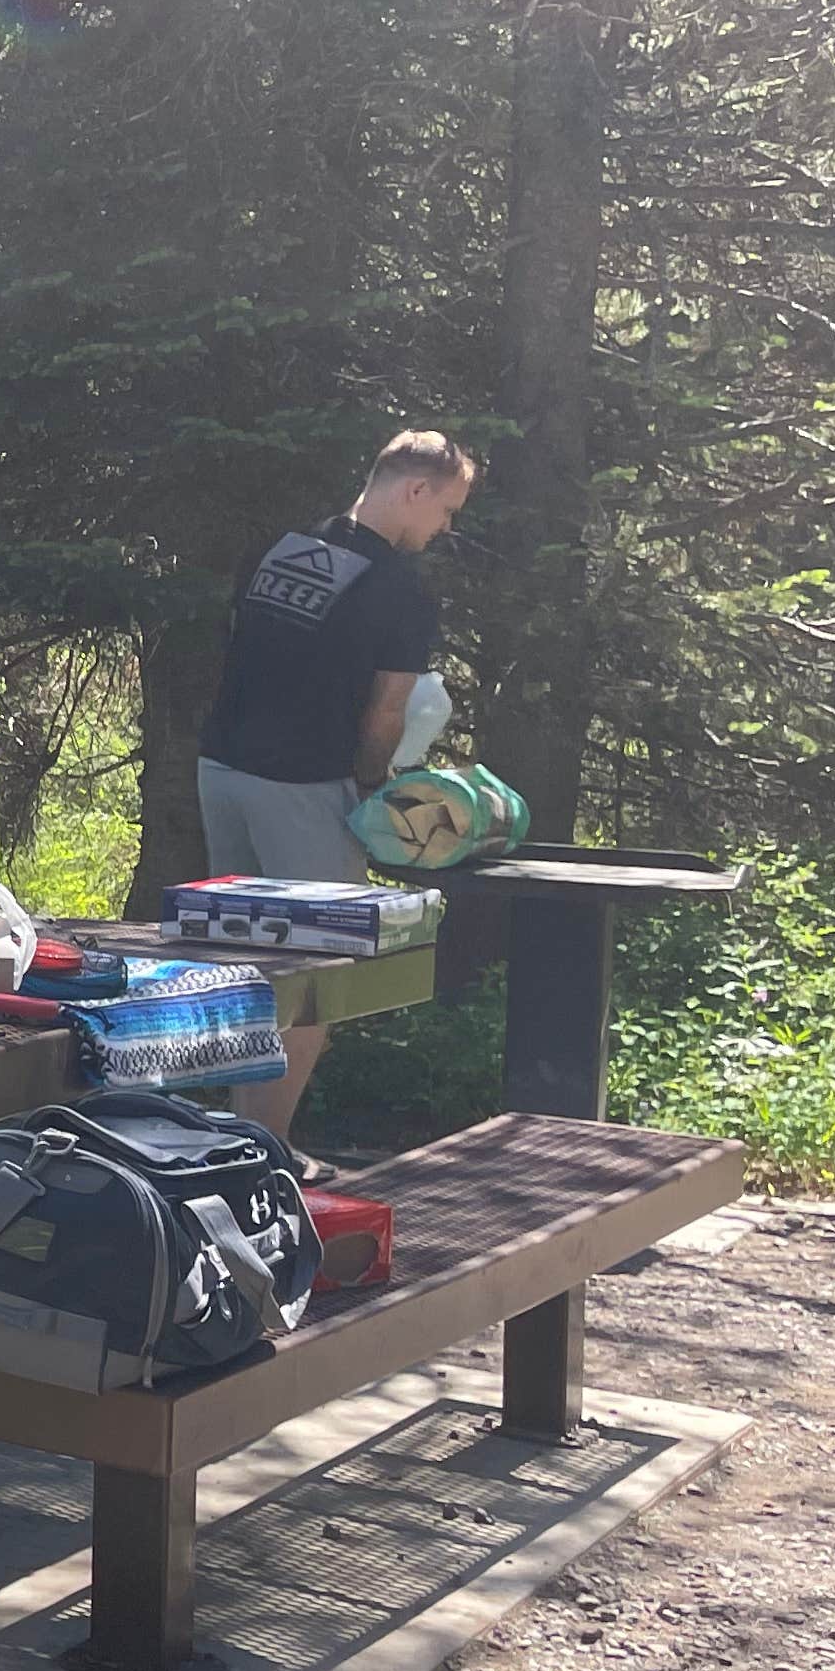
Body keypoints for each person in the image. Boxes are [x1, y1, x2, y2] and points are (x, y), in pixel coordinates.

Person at [193, 428, 478, 1145]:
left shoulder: (284, 550)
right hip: (303, 784)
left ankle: (237, 1140)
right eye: (446, 509)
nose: (445, 528)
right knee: (322, 978)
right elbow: (387, 712)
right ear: (414, 490)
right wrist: (373, 786)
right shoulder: (398, 592)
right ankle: (266, 1148)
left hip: (222, 768)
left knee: (248, 964)